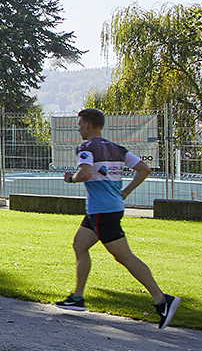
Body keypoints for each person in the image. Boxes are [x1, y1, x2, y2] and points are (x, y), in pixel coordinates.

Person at [56, 108, 179, 329]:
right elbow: (144, 169)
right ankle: (77, 297)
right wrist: (125, 192)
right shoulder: (117, 149)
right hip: (103, 210)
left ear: (87, 125)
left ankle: (162, 300)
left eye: (80, 124)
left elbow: (84, 173)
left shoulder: (86, 147)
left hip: (103, 212)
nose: (78, 128)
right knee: (79, 245)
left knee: (125, 257)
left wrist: (71, 179)